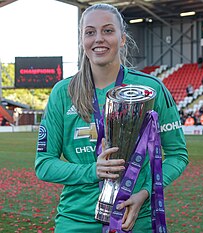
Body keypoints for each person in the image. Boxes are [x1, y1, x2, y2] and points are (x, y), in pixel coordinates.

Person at [35, 3, 188, 233]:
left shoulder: (150, 89)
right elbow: (44, 165)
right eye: (90, 32)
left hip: (136, 219)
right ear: (82, 40)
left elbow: (178, 155)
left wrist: (146, 192)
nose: (99, 39)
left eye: (107, 31)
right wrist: (92, 171)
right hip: (76, 221)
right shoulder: (63, 92)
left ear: (123, 38)